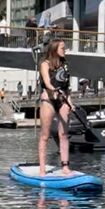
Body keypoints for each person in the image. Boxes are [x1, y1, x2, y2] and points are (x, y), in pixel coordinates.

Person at [38, 39, 72, 176]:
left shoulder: (65, 64)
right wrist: (54, 90)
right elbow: (47, 82)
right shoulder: (45, 64)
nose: (65, 50)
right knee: (45, 135)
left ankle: (65, 166)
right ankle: (42, 169)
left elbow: (66, 87)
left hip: (63, 99)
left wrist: (70, 102)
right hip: (49, 99)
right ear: (55, 50)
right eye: (62, 48)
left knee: (63, 135)